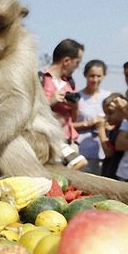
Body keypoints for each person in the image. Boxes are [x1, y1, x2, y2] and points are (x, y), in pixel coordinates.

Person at [40, 39, 86, 169]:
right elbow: (31, 110)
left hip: (70, 140)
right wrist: (51, 101)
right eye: (77, 63)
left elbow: (75, 118)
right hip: (49, 140)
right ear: (66, 61)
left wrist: (74, 106)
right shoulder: (40, 78)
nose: (77, 67)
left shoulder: (70, 83)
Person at [73, 60, 112, 174]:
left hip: (102, 152)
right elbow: (68, 126)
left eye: (98, 76)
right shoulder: (76, 97)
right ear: (85, 75)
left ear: (104, 76)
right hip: (82, 153)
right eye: (91, 76)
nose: (95, 80)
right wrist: (87, 124)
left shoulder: (109, 97)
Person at [98, 93, 128, 179]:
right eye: (105, 114)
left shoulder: (123, 130)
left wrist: (100, 130)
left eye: (110, 113)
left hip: (118, 175)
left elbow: (109, 152)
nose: (107, 118)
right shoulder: (115, 129)